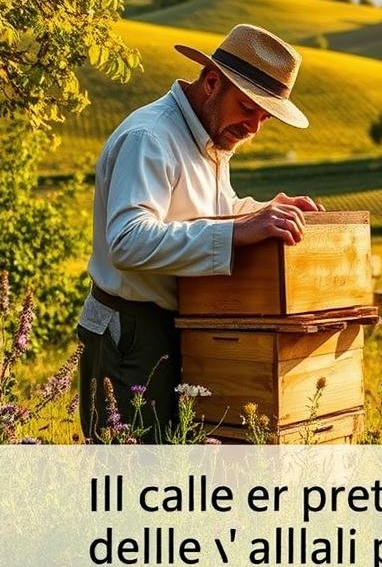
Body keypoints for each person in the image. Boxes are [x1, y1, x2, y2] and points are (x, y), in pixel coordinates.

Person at [76, 23, 323, 441]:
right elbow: (127, 239)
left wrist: (264, 211)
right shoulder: (151, 137)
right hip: (130, 330)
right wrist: (235, 234)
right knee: (131, 481)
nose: (254, 128)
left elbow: (211, 212)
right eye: (248, 109)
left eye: (264, 117)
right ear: (212, 82)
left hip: (175, 325)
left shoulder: (209, 136)